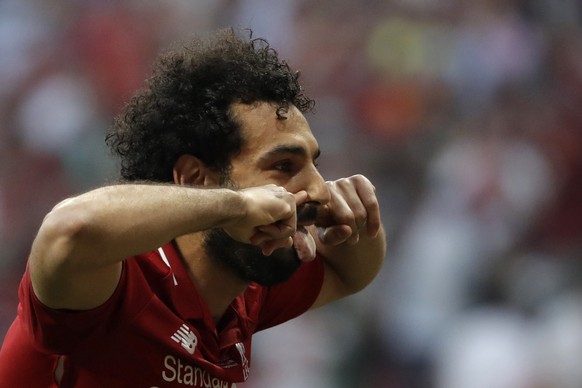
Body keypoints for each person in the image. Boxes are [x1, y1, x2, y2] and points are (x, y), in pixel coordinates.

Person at [0, 28, 386, 387]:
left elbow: (351, 272)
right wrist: (235, 207)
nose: (318, 188)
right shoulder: (117, 277)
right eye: (284, 166)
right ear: (196, 178)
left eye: (314, 166)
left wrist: (357, 212)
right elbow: (70, 226)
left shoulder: (241, 291)